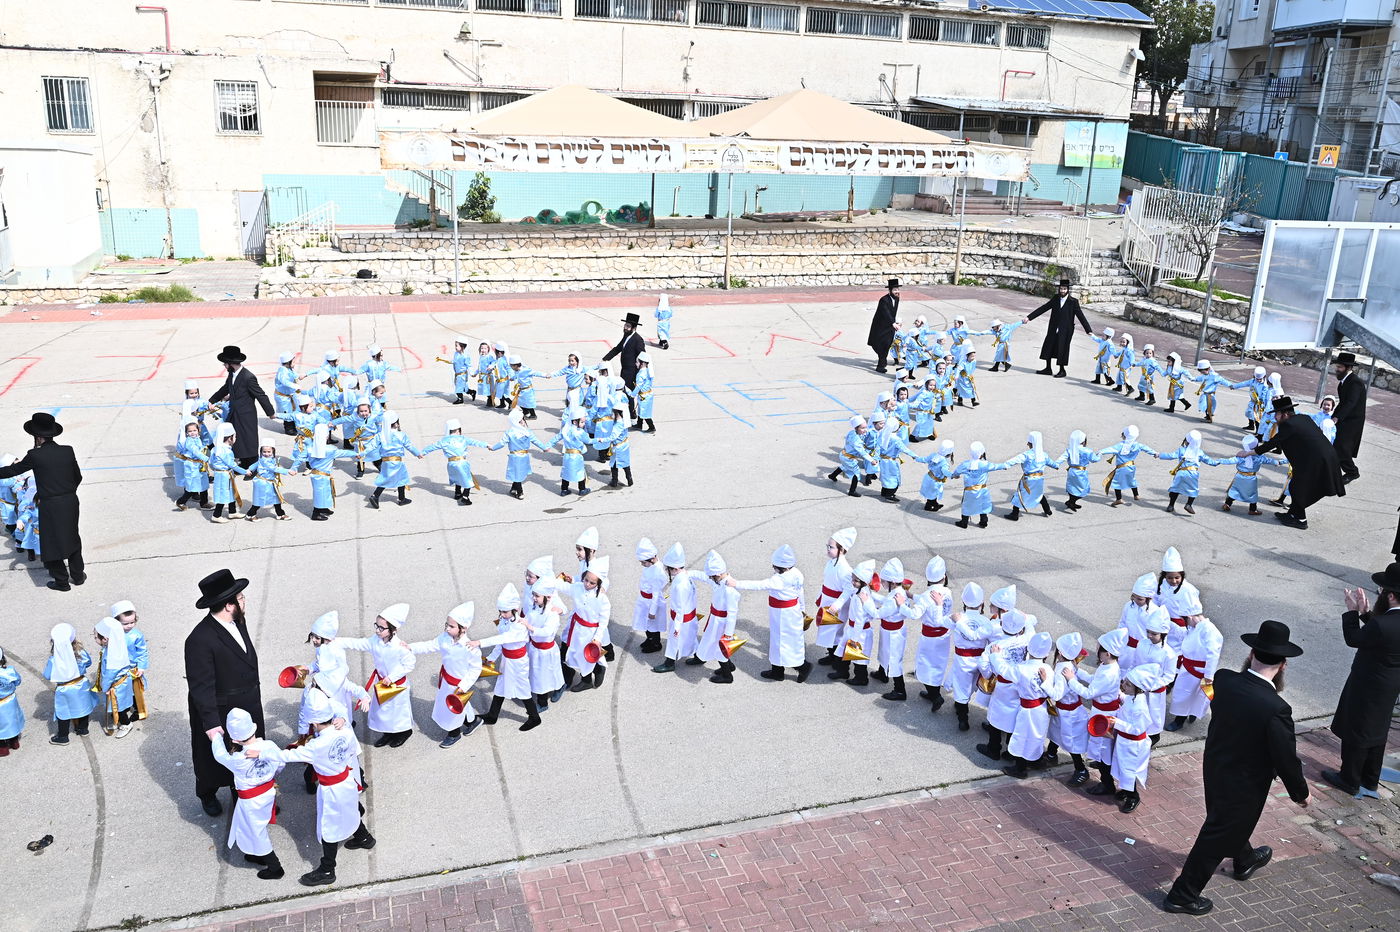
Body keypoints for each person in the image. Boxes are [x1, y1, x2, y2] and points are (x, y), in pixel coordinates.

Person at [1163, 620, 1308, 916]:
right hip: (1245, 781)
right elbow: (1286, 758)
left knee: (1227, 820)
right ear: (1283, 665)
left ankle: (1245, 859)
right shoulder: (1276, 708)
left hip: (1216, 766)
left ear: (1251, 654)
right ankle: (1182, 895)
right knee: (1217, 833)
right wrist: (1300, 793)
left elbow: (1223, 707)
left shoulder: (1224, 680)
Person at [185, 568, 265, 817]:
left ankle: (243, 792)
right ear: (229, 605)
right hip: (221, 709)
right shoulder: (199, 639)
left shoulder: (237, 621)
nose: (244, 601)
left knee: (248, 753)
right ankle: (207, 793)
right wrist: (211, 723)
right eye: (240, 598)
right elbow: (200, 686)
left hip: (248, 703)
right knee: (211, 760)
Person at [1324, 567, 1400, 797]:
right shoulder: (1386, 623)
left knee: (1358, 728)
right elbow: (1382, 635)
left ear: (1390, 595)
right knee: (1378, 729)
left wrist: (1352, 612)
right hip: (1390, 685)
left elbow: (1354, 638)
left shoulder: (1382, 624)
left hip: (1368, 683)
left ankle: (1349, 778)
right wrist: (1366, 614)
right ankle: (1370, 778)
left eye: (1381, 590)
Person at [0, 412, 85, 591]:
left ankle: (62, 581)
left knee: (50, 542)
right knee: (72, 536)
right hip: (70, 501)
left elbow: (13, 471)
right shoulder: (68, 450)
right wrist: (65, 493)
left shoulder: (35, 455)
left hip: (50, 504)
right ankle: (78, 576)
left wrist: (49, 493)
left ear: (38, 437)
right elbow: (77, 477)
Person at [209, 708, 286, 880]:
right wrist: (271, 775)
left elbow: (220, 755)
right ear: (254, 727)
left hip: (250, 800)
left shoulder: (238, 759)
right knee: (253, 826)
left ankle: (275, 867)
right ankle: (256, 854)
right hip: (268, 791)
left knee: (255, 830)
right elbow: (281, 763)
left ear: (235, 739)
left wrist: (216, 738)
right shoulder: (269, 746)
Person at [1254, 396, 1345, 529]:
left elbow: (1274, 442)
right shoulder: (1303, 418)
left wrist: (1251, 452)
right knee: (1296, 486)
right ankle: (1292, 514)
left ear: (1285, 414)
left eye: (1277, 414)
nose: (1275, 417)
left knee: (1298, 489)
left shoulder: (1288, 425)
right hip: (1321, 458)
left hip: (1319, 462)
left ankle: (1301, 520)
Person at [208, 345, 276, 469]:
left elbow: (260, 395)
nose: (224, 366)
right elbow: (226, 388)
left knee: (248, 439)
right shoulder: (232, 374)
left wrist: (270, 412)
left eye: (225, 364)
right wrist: (212, 400)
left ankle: (253, 466)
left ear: (230, 364)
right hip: (234, 412)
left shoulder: (248, 377)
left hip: (246, 414)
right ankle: (243, 463)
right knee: (238, 440)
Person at [1023, 279, 1092, 378]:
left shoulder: (1073, 302)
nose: (1062, 291)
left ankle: (1062, 370)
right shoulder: (1056, 298)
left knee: (1062, 349)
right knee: (1049, 346)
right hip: (1053, 328)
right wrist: (1029, 317)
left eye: (1064, 289)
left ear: (1068, 290)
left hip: (1066, 330)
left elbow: (1081, 316)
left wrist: (1088, 330)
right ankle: (1048, 368)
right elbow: (1044, 308)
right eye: (1061, 289)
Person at [603, 312, 647, 418]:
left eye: (628, 326)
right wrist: (605, 359)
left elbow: (643, 357)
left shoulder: (638, 340)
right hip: (625, 370)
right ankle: (626, 411)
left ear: (634, 328)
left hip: (632, 372)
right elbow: (618, 348)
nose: (625, 328)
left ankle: (632, 413)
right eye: (625, 325)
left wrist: (639, 373)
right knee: (624, 391)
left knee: (628, 392)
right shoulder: (626, 335)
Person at [1332, 351, 1367, 483]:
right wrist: (1333, 417)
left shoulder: (1355, 382)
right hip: (1345, 418)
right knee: (1337, 445)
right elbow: (1342, 402)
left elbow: (1351, 403)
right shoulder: (1343, 382)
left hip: (1352, 421)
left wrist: (1337, 418)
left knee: (1342, 447)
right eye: (1337, 366)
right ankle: (1333, 470)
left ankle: (1352, 472)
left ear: (1348, 368)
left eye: (1340, 367)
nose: (1337, 369)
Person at [867, 279, 900, 373]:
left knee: (887, 344)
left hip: (890, 327)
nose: (897, 291)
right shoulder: (884, 300)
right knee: (876, 344)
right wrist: (893, 323)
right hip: (880, 326)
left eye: (898, 289)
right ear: (890, 290)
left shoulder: (897, 298)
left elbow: (893, 313)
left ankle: (880, 366)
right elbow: (886, 312)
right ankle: (882, 359)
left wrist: (897, 322)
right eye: (895, 290)